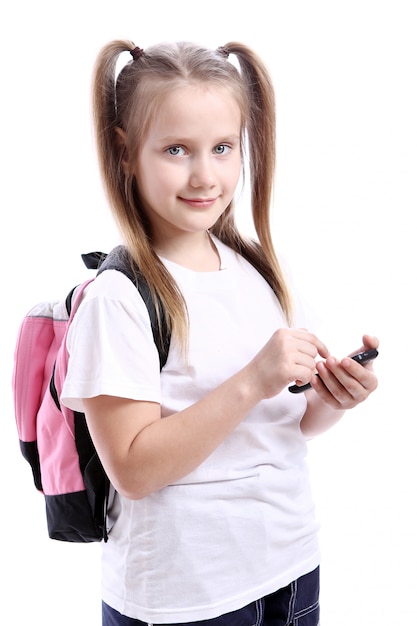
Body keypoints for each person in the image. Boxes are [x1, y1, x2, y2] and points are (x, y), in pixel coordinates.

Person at [61, 38, 379, 626]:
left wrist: (332, 402)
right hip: (186, 594)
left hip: (289, 565)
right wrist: (252, 380)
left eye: (223, 148)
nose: (205, 174)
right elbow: (132, 470)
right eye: (177, 149)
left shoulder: (260, 271)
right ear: (125, 152)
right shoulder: (121, 298)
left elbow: (286, 426)